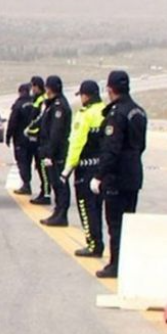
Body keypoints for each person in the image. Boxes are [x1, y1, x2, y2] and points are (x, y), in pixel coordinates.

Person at [91, 70, 147, 278]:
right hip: (133, 174)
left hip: (116, 176)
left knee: (115, 224)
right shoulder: (138, 112)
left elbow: (111, 149)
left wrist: (99, 175)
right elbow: (141, 146)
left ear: (110, 89)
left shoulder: (116, 114)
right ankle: (125, 262)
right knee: (128, 221)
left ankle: (116, 264)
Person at [62, 80, 106, 257]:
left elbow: (77, 143)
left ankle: (93, 243)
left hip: (85, 167)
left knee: (86, 208)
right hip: (101, 167)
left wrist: (68, 168)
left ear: (86, 96)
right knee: (98, 207)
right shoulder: (105, 111)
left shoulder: (85, 115)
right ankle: (99, 242)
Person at [38, 75, 72, 227]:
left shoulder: (59, 106)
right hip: (52, 151)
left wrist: (50, 153)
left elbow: (56, 132)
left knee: (60, 184)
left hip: (57, 153)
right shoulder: (52, 104)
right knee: (55, 183)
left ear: (49, 88)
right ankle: (58, 212)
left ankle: (61, 214)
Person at [6, 83, 34, 195]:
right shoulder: (34, 104)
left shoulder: (18, 105)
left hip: (20, 139)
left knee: (22, 162)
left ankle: (26, 184)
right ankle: (27, 183)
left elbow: (12, 122)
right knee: (28, 161)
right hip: (33, 139)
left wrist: (8, 136)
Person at [26, 76, 50, 205]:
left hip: (40, 138)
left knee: (42, 168)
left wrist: (31, 130)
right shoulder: (36, 99)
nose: (32, 89)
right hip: (35, 138)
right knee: (39, 166)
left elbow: (40, 120)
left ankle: (46, 193)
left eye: (33, 86)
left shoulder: (43, 100)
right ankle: (43, 191)